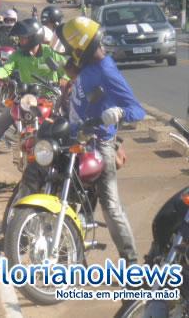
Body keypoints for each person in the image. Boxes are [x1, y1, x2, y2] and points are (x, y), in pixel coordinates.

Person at [57, 16, 145, 264]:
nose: (69, 52)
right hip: (76, 140)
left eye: (71, 47)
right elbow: (78, 77)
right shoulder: (87, 67)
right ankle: (74, 254)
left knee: (111, 207)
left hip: (98, 146)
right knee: (73, 199)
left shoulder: (107, 71)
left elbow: (137, 110)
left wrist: (118, 114)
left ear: (81, 47)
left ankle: (131, 263)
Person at [0, 18, 68, 175]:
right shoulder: (18, 55)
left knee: (62, 128)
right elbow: (7, 68)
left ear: (34, 37)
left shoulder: (50, 53)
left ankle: (62, 167)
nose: (21, 41)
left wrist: (65, 80)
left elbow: (67, 71)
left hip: (49, 100)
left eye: (24, 38)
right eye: (20, 38)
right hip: (25, 98)